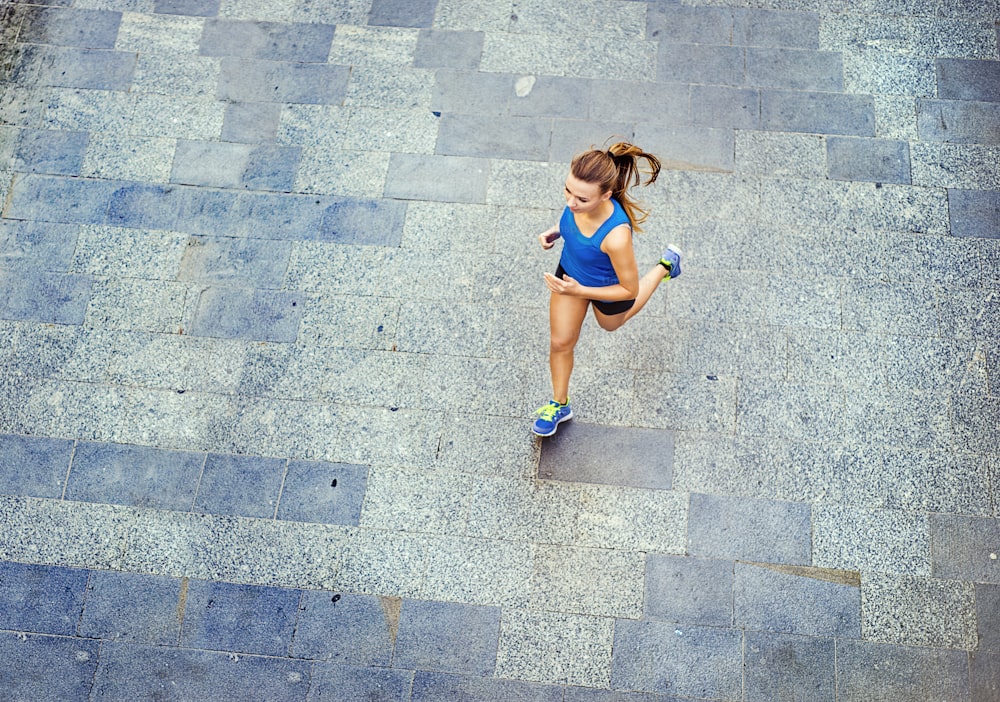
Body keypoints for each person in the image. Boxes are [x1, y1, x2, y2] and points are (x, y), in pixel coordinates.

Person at [531, 141, 682, 437]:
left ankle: (665, 266)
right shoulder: (578, 198)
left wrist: (581, 292)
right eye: (567, 191)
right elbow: (573, 219)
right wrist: (556, 230)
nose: (571, 202)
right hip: (570, 277)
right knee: (560, 343)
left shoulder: (616, 236)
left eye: (582, 199)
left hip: (608, 288)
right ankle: (559, 404)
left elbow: (628, 290)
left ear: (605, 196)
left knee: (611, 324)